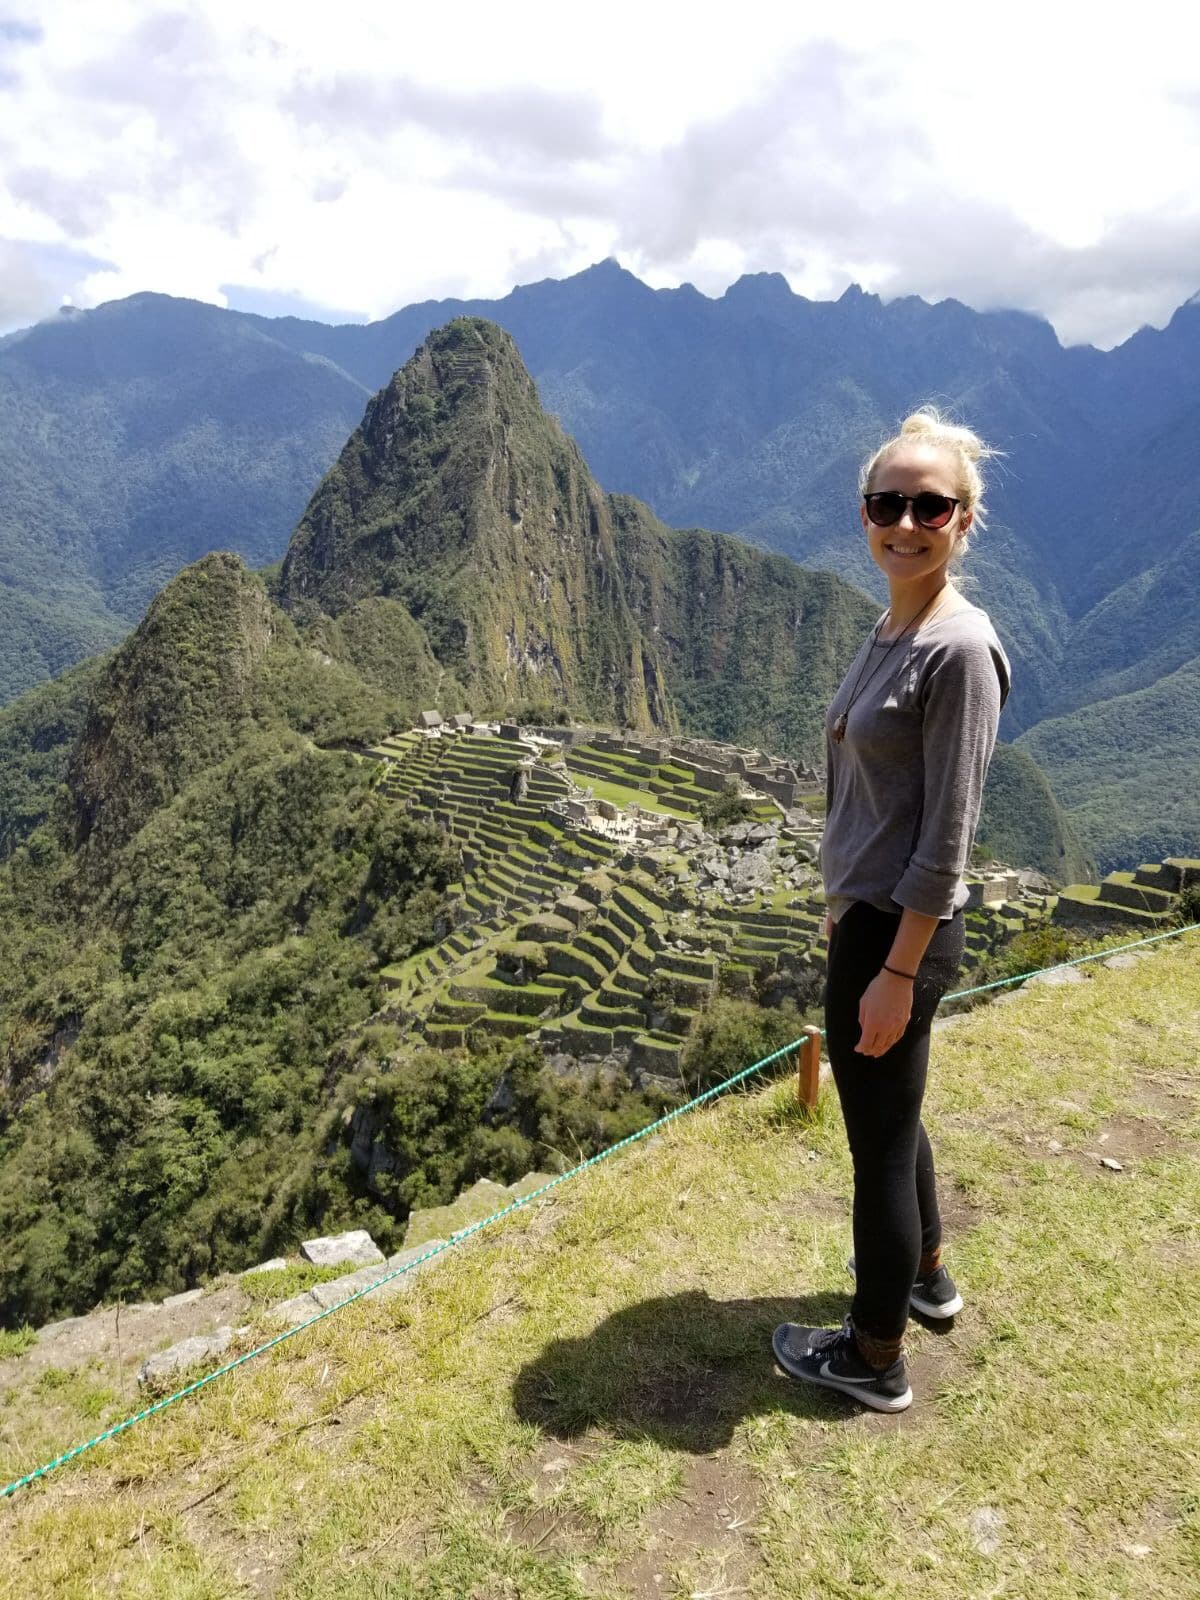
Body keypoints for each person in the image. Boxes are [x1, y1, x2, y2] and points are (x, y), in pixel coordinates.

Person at [772, 409, 1012, 1413]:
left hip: (901, 931)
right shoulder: (893, 627)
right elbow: (874, 797)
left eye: (930, 506)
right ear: (864, 515)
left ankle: (874, 1356)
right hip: (866, 916)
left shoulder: (958, 650)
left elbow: (947, 836)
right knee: (893, 1114)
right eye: (887, 504)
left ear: (964, 519)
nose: (905, 522)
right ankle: (926, 1277)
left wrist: (898, 969)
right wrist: (844, 906)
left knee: (874, 1148)